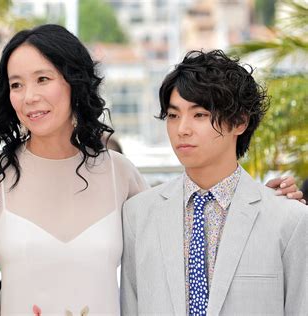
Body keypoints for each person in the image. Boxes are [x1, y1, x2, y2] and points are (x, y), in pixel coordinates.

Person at [0, 25, 303, 314]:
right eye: (17, 84)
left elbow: (190, 214)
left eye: (43, 79)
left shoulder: (121, 174)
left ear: (72, 83)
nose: (30, 96)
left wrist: (267, 200)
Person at [120, 50, 307, 315]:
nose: (182, 128)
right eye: (173, 116)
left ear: (240, 121)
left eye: (200, 115)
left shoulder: (289, 219)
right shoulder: (137, 214)